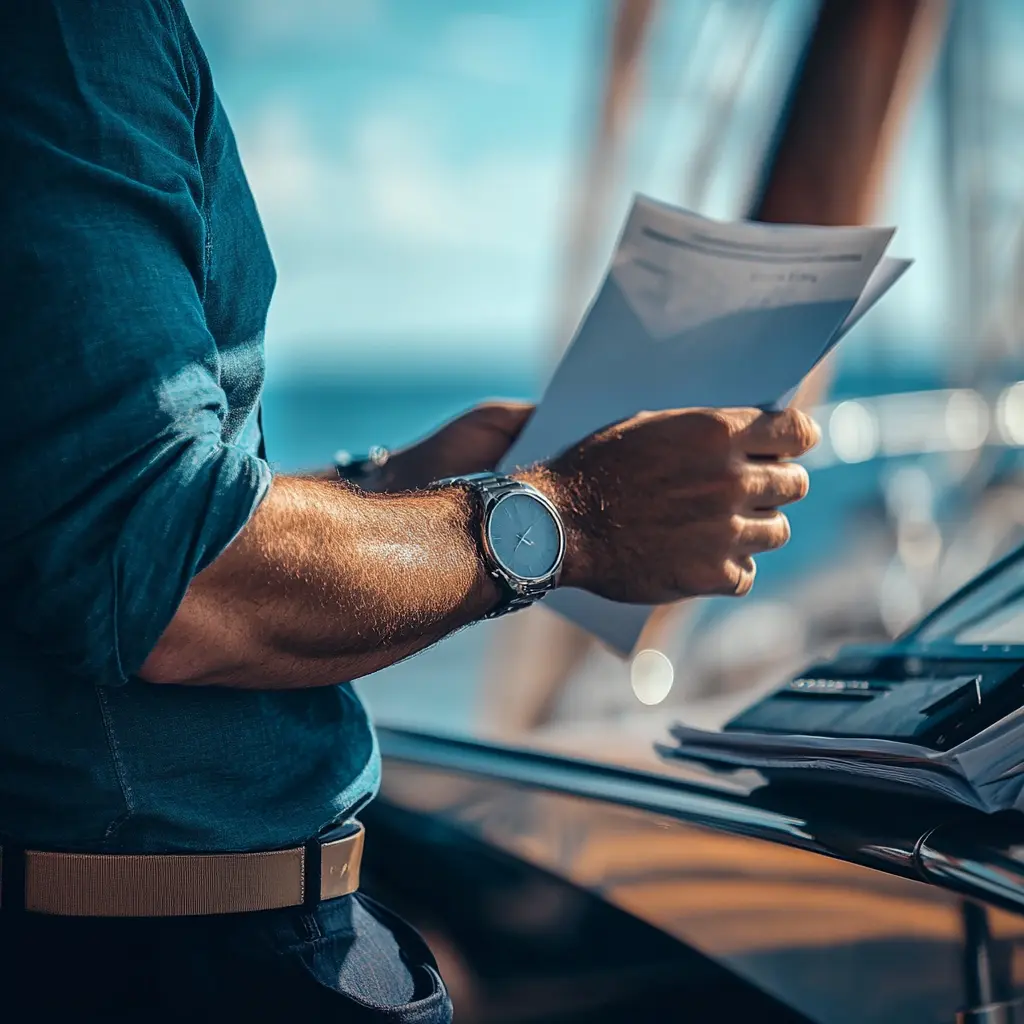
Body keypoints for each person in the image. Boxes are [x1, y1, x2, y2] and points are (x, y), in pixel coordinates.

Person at [0, 2, 819, 1020]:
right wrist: (573, 517)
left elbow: (83, 507)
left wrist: (398, 487)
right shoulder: (75, 34)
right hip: (184, 959)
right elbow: (167, 571)